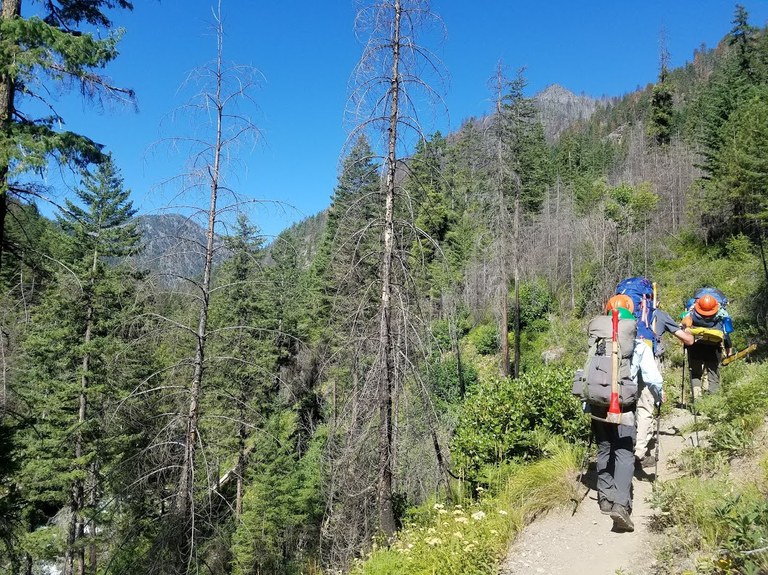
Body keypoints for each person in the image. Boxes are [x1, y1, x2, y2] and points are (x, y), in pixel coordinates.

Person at [589, 295, 663, 533]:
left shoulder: (598, 343)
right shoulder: (639, 345)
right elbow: (652, 378)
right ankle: (621, 505)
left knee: (603, 449)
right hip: (624, 406)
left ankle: (605, 499)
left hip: (598, 405)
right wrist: (659, 396)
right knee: (623, 452)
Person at [634, 306, 694, 467]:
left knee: (626, 407)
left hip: (624, 364)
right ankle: (639, 453)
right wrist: (688, 329)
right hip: (648, 364)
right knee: (645, 408)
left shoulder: (621, 314)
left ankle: (621, 448)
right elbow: (688, 340)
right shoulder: (658, 314)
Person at [682, 293, 733, 397]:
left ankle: (697, 399)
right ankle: (712, 402)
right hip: (714, 349)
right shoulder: (720, 316)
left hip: (695, 347)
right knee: (713, 375)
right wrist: (729, 352)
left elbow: (684, 329)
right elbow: (726, 336)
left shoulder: (691, 314)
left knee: (695, 374)